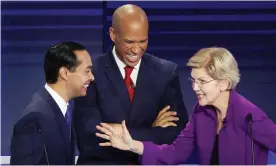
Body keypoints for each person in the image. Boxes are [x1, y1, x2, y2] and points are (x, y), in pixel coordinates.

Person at [96, 47, 276, 165]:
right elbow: (175, 153)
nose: (195, 88)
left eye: (202, 81)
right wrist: (133, 145)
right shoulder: (201, 112)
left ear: (223, 83)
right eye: (194, 80)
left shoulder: (250, 116)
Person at [73, 4, 188, 164]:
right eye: (129, 41)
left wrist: (118, 132)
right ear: (113, 35)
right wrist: (152, 132)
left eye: (143, 41)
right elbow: (89, 140)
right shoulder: (91, 73)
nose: (136, 49)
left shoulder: (166, 73)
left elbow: (177, 136)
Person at [10, 42, 94, 165]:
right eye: (87, 71)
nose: (92, 77)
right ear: (64, 73)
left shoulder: (64, 111)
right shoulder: (33, 120)